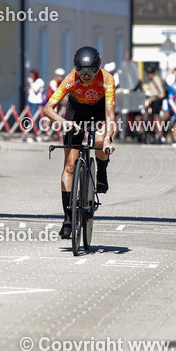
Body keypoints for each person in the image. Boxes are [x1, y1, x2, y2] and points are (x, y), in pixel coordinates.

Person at [43, 46, 115, 238]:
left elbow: (109, 114)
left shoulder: (106, 79)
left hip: (98, 112)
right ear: (76, 69)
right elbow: (48, 108)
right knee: (69, 167)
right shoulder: (70, 79)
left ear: (98, 67)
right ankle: (67, 219)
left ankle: (102, 172)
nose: (86, 75)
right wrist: (64, 122)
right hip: (75, 113)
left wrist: (108, 139)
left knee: (100, 141)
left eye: (91, 70)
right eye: (81, 71)